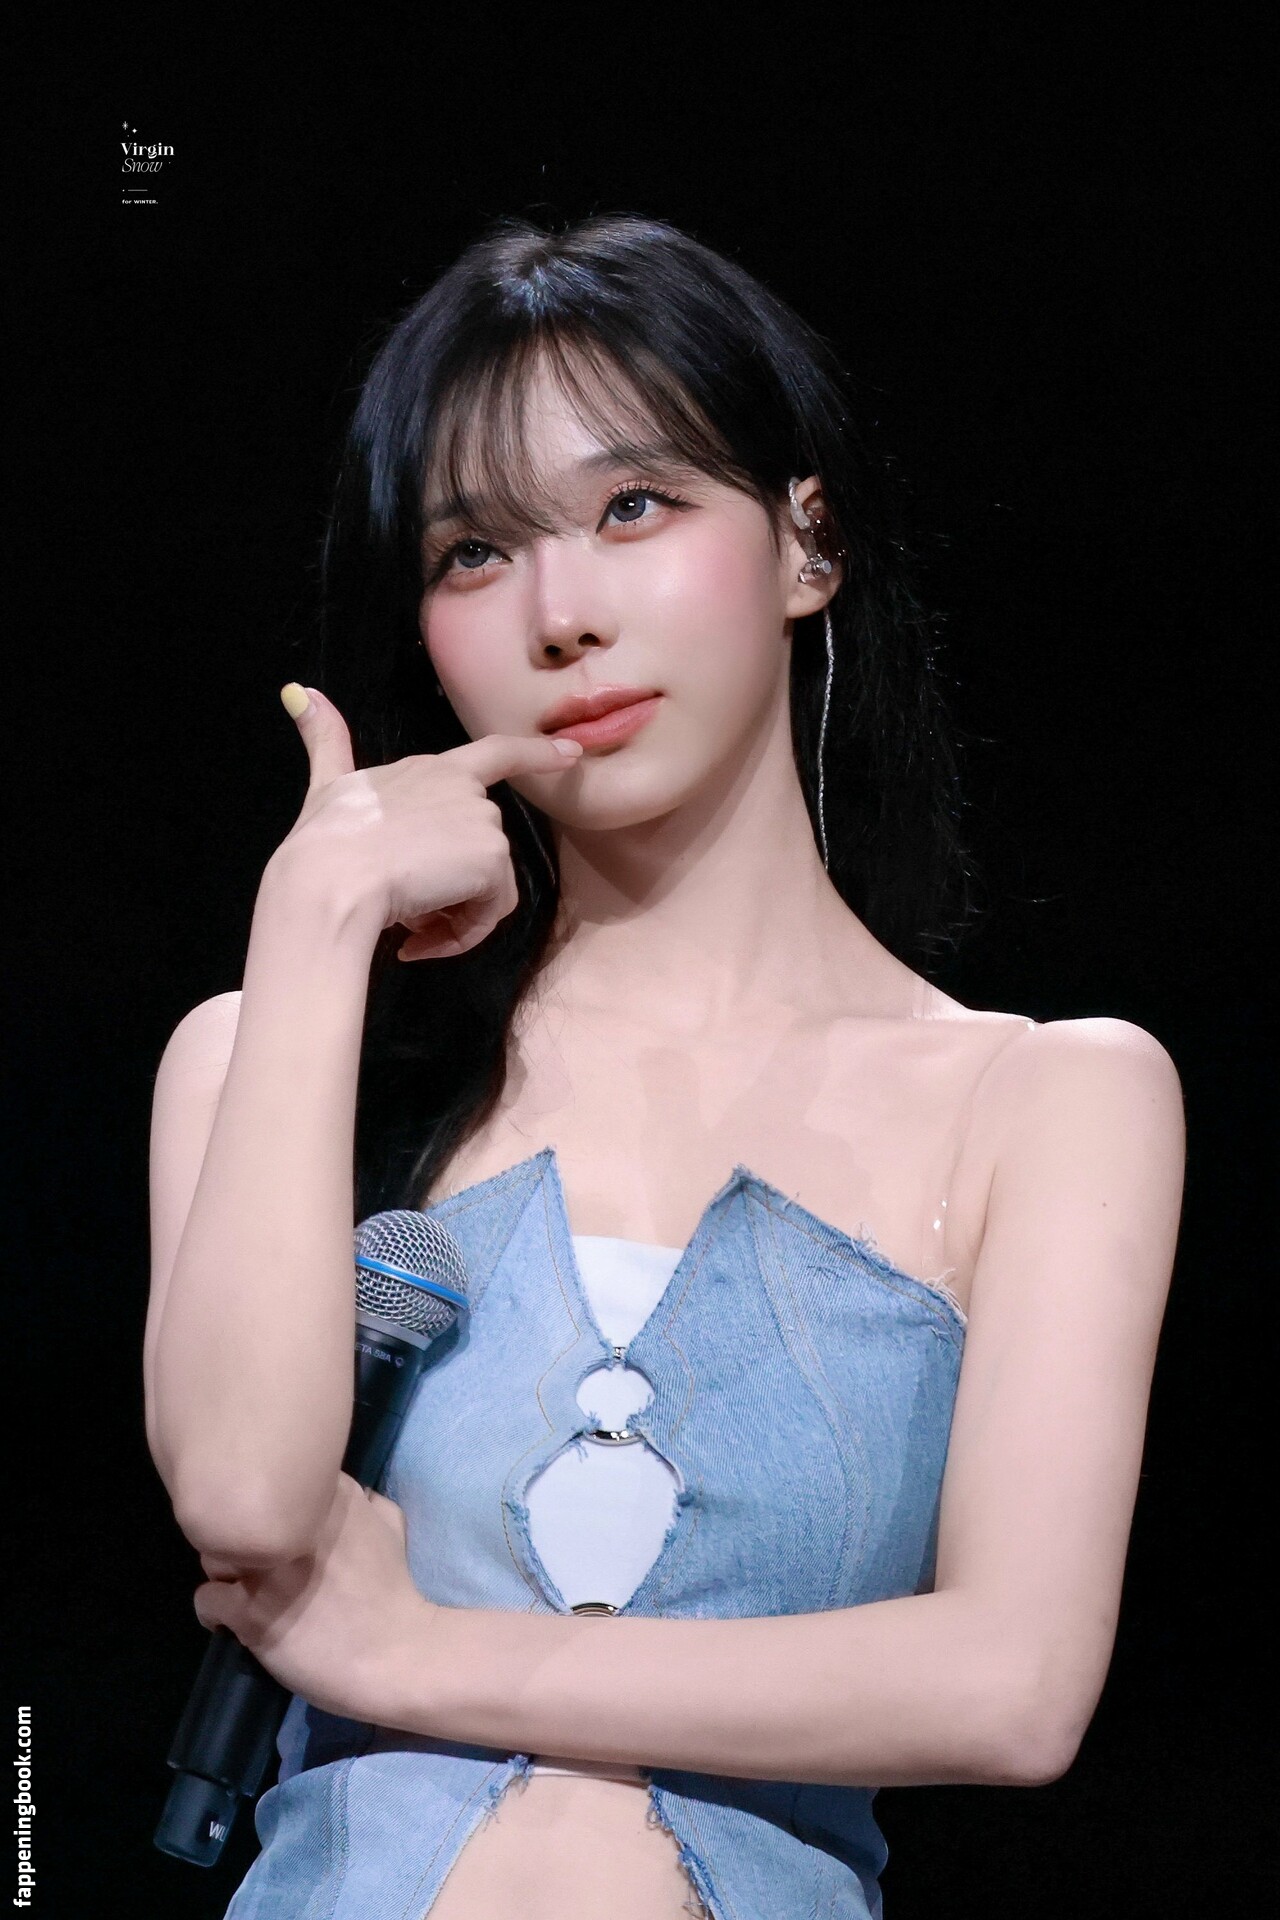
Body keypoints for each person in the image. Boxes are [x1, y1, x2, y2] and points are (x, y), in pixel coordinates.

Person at [143, 214, 1187, 1920]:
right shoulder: (267, 1057)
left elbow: (1013, 1689)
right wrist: (316, 913)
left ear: (807, 543)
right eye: (475, 552)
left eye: (633, 507)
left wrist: (412, 1654)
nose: (562, 617)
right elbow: (247, 1503)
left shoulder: (1049, 1101)